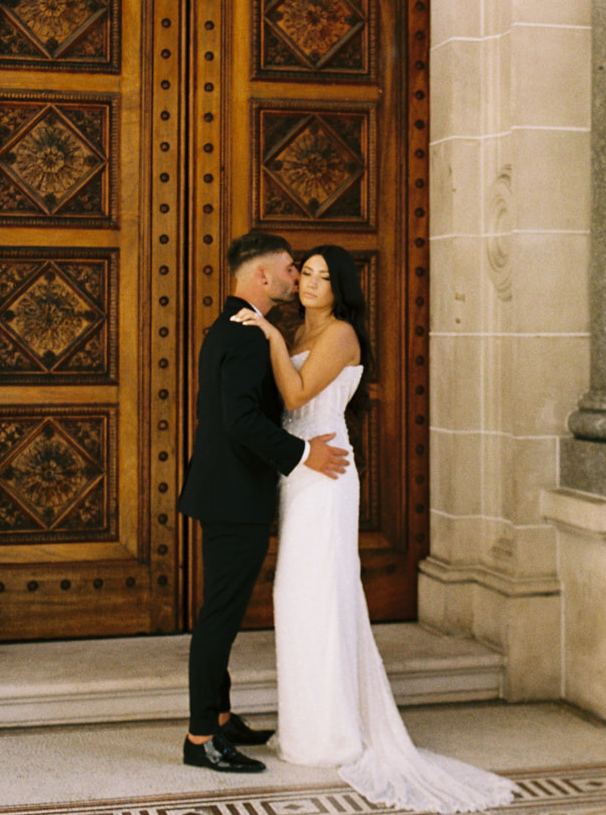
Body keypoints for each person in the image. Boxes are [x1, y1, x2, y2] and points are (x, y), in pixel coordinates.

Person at [234, 244, 516, 813]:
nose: (311, 283)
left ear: (340, 288)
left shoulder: (338, 334)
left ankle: (331, 736)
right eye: (305, 274)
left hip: (326, 473)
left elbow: (295, 394)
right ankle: (310, 727)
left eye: (322, 277)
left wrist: (263, 335)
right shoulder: (296, 335)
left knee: (315, 596)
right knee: (300, 599)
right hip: (302, 470)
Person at [177, 232, 351, 774]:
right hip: (234, 496)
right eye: (289, 268)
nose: (296, 278)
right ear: (261, 277)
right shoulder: (249, 334)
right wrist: (303, 454)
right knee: (219, 618)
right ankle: (201, 735)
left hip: (226, 490)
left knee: (220, 612)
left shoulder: (240, 326)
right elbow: (242, 421)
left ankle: (222, 718)